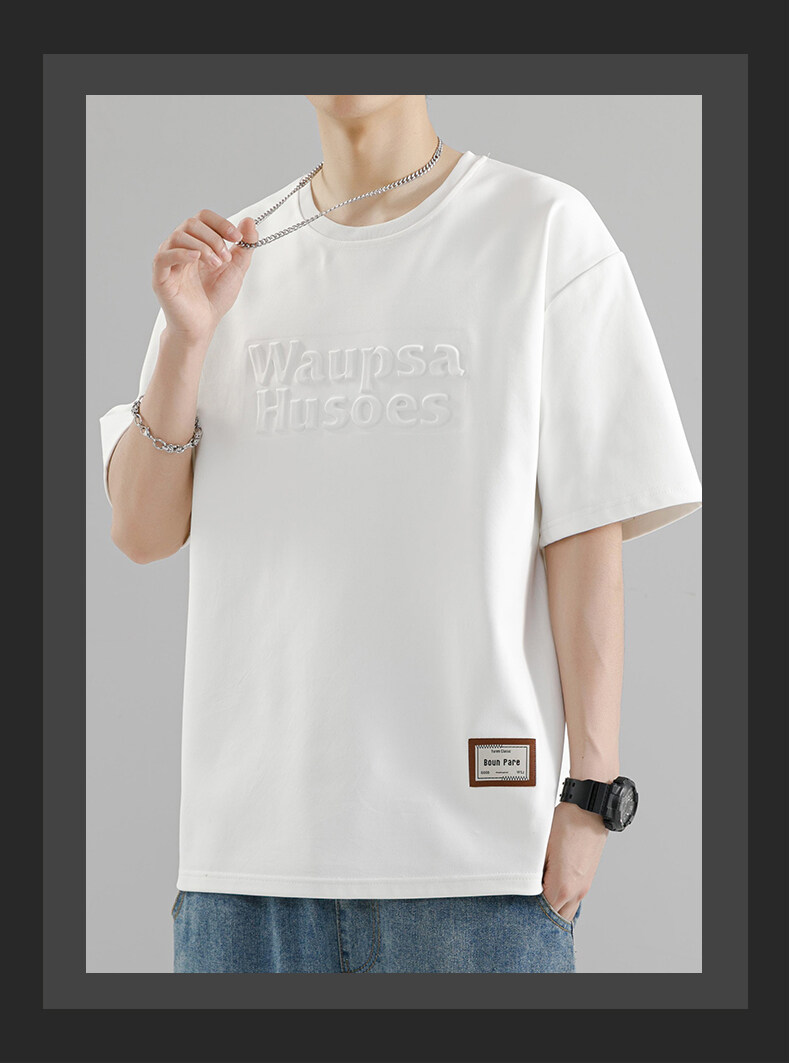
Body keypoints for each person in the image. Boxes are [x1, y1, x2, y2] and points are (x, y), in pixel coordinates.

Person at [98, 94, 702, 974]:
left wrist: (592, 794)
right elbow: (141, 529)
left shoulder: (542, 231)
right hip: (245, 880)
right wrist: (188, 341)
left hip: (481, 873)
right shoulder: (230, 261)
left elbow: (585, 528)